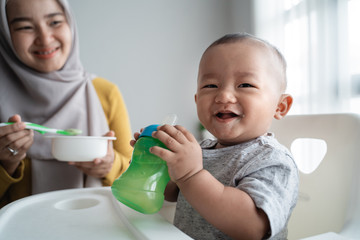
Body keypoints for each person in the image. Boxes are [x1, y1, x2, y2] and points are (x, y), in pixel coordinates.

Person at [132, 33, 298, 239]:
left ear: (280, 106)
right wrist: (158, 165)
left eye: (245, 85)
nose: (223, 96)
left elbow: (253, 227)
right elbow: (174, 194)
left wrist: (190, 175)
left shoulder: (273, 160)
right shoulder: (202, 150)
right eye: (210, 86)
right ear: (196, 99)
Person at [0, 0, 133, 208]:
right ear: (6, 34)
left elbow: (135, 179)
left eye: (54, 22)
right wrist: (6, 164)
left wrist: (110, 165)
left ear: (70, 23)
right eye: (25, 27)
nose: (45, 38)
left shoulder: (106, 93)